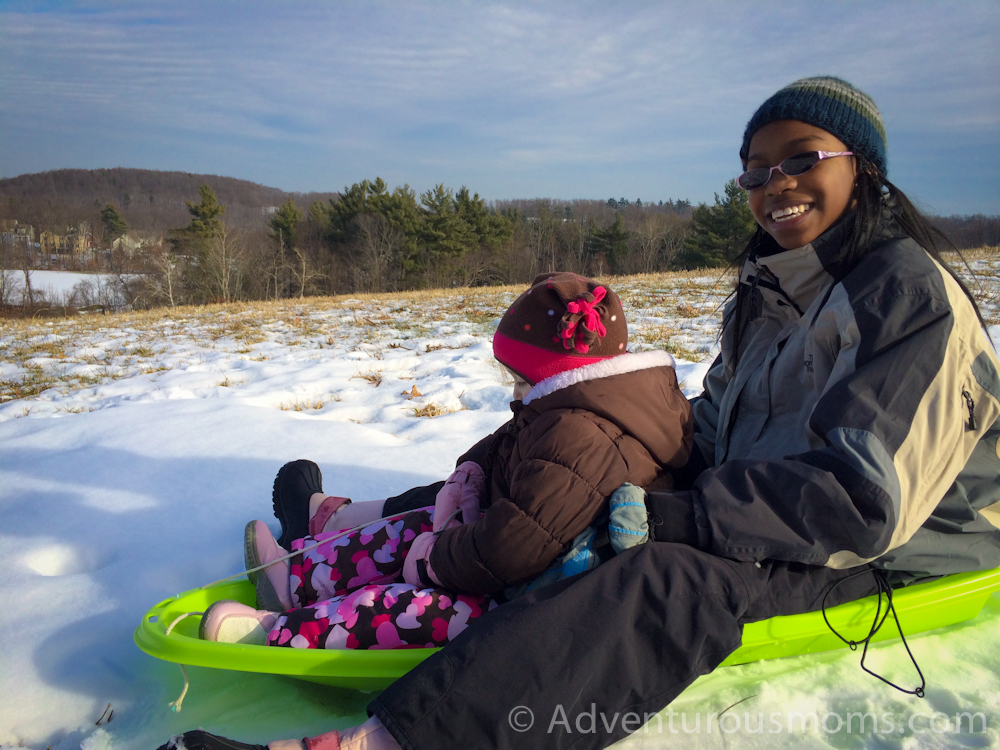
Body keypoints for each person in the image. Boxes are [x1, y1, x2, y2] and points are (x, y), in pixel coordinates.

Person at [159, 76, 1000, 750]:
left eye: (800, 157)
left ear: (865, 168)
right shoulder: (775, 288)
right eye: (755, 168)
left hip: (898, 541)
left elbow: (860, 500)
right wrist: (621, 446)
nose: (774, 184)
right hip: (763, 495)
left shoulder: (906, 297)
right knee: (565, 465)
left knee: (668, 582)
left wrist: (674, 517)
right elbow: (720, 424)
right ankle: (337, 536)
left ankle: (388, 740)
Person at [196, 272, 693, 655]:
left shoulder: (585, 438)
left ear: (562, 377)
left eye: (521, 381)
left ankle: (276, 634)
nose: (516, 395)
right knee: (409, 527)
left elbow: (511, 549)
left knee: (402, 608)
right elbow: (510, 439)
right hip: (503, 557)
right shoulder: (574, 407)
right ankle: (297, 578)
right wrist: (471, 472)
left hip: (529, 599)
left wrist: (435, 560)